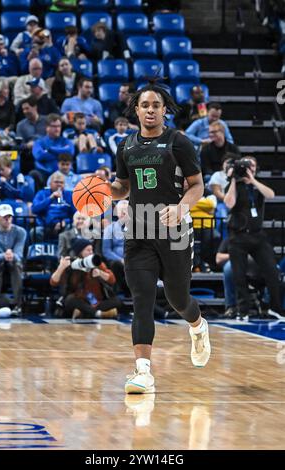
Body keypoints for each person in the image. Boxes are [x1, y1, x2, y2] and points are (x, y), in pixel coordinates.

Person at [110, 83, 211, 394]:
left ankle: (198, 325)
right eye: (145, 105)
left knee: (177, 299)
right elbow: (122, 188)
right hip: (139, 232)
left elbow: (197, 185)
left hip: (176, 232)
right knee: (141, 299)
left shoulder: (177, 142)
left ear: (165, 110)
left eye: (156, 105)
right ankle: (143, 372)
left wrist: (181, 209)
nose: (150, 109)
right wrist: (102, 191)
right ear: (136, 110)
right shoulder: (126, 146)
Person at [224, 155, 284, 319]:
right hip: (238, 237)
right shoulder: (234, 185)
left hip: (258, 236)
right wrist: (235, 179)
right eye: (246, 166)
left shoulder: (257, 187)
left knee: (272, 270)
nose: (250, 168)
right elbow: (228, 203)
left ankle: (275, 308)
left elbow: (271, 194)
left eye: (252, 166)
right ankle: (243, 311)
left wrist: (252, 180)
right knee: (239, 274)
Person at [50, 238, 122, 319]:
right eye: (88, 250)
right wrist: (61, 268)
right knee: (70, 300)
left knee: (117, 301)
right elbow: (53, 282)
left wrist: (100, 273)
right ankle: (99, 314)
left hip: (97, 301)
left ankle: (83, 313)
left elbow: (112, 280)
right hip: (79, 300)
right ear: (80, 252)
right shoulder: (71, 264)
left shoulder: (96, 262)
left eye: (92, 250)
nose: (91, 252)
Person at [0, 203, 27, 314]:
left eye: (9, 217)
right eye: (4, 217)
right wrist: (4, 255)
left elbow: (19, 254)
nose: (7, 219)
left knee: (17, 265)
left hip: (13, 260)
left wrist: (12, 255)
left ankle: (17, 305)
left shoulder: (20, 232)